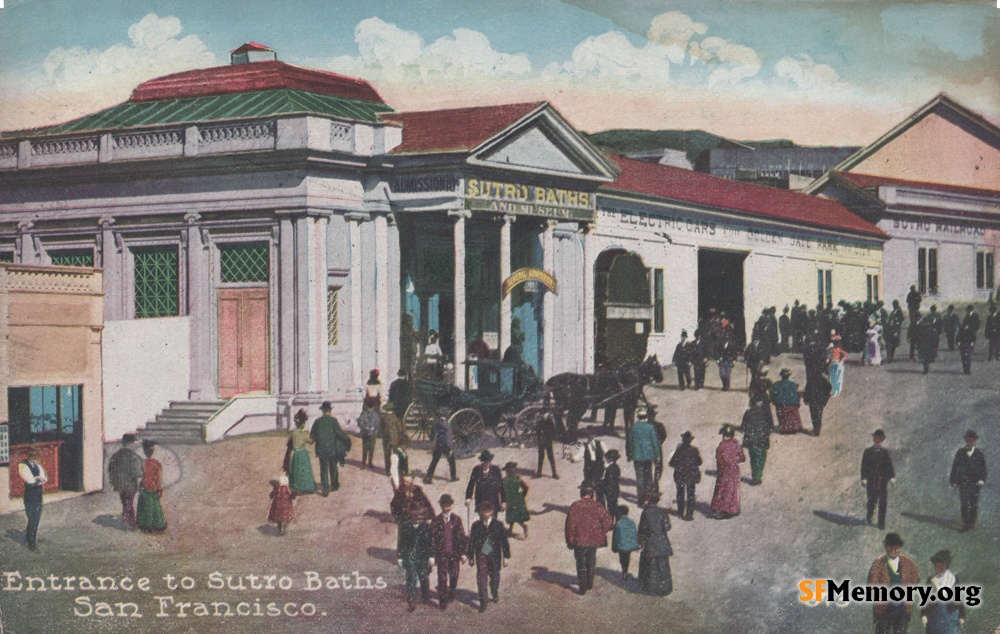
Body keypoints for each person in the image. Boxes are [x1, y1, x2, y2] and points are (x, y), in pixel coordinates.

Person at [391, 478, 436, 611]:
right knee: (410, 577)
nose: (406, 484)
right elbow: (401, 542)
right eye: (404, 481)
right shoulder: (406, 526)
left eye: (408, 481)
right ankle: (412, 600)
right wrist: (399, 556)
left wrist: (432, 556)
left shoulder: (425, 527)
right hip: (410, 555)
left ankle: (425, 595)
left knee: (423, 576)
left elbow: (431, 542)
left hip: (422, 555)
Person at [565, 483, 615, 596]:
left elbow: (570, 525)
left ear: (581, 493)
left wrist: (570, 539)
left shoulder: (575, 505)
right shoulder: (598, 506)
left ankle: (582, 586)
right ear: (592, 494)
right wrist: (602, 532)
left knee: (581, 562)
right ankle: (589, 583)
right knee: (591, 559)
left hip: (579, 540)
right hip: (594, 540)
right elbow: (608, 522)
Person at [867, 532, 920, 634]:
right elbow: (872, 582)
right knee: (882, 631)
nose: (894, 550)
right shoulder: (878, 563)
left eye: (897, 547)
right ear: (886, 547)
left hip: (902, 606)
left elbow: (916, 577)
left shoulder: (908, 562)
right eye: (890, 547)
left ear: (900, 547)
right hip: (884, 606)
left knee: (900, 631)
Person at [467, 501, 510, 612]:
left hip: (494, 556)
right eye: (483, 511)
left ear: (492, 512)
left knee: (495, 577)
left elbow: (504, 541)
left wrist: (506, 557)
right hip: (481, 556)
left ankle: (494, 592)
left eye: (488, 511)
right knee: (481, 578)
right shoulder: (476, 526)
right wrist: (470, 556)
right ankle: (483, 602)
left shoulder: (498, 525)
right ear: (480, 512)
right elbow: (471, 542)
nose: (486, 514)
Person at [430, 494, 467, 610]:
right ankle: (442, 601)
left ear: (451, 506)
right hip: (442, 554)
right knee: (442, 578)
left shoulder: (457, 520)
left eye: (449, 506)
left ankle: (452, 591)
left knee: (454, 575)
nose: (447, 508)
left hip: (454, 554)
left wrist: (463, 553)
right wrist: (431, 555)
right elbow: (432, 539)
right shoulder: (436, 521)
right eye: (445, 506)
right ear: (441, 506)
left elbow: (462, 537)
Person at [949, 430, 987, 533]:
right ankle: (965, 524)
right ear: (966, 440)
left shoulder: (979, 454)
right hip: (963, 483)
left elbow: (983, 469)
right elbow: (955, 467)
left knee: (974, 504)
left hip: (975, 484)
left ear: (976, 440)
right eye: (969, 439)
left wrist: (981, 480)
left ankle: (972, 523)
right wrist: (953, 481)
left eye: (974, 440)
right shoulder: (960, 452)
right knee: (964, 503)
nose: (971, 442)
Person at [637, 492, 673, 597]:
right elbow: (668, 527)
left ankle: (651, 587)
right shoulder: (662, 512)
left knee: (651, 567)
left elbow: (642, 529)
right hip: (662, 542)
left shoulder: (646, 512)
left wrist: (640, 541)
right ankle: (664, 588)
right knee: (663, 567)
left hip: (651, 542)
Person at [920, 550, 965, 634]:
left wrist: (962, 615)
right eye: (938, 563)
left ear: (947, 564)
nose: (940, 566)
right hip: (934, 617)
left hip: (950, 616)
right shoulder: (931, 580)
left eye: (943, 563)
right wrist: (923, 614)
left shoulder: (953, 579)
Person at [311, 402, 351, 495]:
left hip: (321, 448)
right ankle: (334, 485)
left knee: (323, 468)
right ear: (330, 410)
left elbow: (312, 436)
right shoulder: (333, 421)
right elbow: (339, 433)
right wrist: (347, 441)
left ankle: (325, 490)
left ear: (322, 410)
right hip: (332, 448)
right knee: (333, 466)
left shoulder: (317, 421)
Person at [107, 433, 144, 530]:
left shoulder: (116, 455)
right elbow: (137, 473)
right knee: (129, 503)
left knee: (125, 503)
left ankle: (128, 521)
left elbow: (110, 469)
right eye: (134, 442)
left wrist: (113, 480)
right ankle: (128, 522)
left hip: (119, 484)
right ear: (130, 443)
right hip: (130, 485)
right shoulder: (133, 456)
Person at [627, 406, 662, 506]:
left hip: (637, 457)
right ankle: (649, 498)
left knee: (640, 478)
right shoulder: (650, 427)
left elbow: (630, 442)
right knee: (648, 478)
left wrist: (630, 454)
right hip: (648, 457)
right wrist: (657, 455)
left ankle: (641, 500)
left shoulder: (634, 428)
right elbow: (655, 443)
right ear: (646, 416)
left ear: (638, 416)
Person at [862, 429, 895, 530]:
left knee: (883, 501)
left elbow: (889, 465)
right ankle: (869, 515)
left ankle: (881, 523)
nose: (877, 440)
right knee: (872, 499)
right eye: (876, 438)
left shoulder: (885, 452)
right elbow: (864, 466)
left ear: (882, 440)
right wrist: (863, 478)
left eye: (879, 439)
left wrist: (892, 477)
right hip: (872, 480)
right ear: (873, 439)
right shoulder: (867, 452)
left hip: (882, 480)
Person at [710, 424, 746, 518]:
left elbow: (719, 458)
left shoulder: (722, 445)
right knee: (733, 488)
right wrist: (735, 460)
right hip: (734, 470)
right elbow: (742, 458)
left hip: (724, 470)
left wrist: (720, 468)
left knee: (723, 489)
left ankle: (722, 509)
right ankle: (733, 508)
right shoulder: (736, 444)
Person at [18, 446, 47, 551]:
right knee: (32, 518)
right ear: (28, 455)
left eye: (35, 454)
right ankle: (31, 542)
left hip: (38, 494)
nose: (34, 456)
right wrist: (37, 480)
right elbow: (29, 480)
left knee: (36, 518)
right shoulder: (23, 465)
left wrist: (40, 479)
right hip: (30, 494)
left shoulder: (37, 465)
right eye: (32, 454)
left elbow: (44, 477)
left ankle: (31, 539)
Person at [668, 431, 702, 521]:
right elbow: (700, 462)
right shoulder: (694, 450)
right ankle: (689, 514)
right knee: (691, 494)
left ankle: (680, 511)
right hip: (691, 475)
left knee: (680, 493)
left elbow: (672, 463)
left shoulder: (679, 450)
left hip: (680, 474)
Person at [136, 440, 167, 533]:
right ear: (153, 452)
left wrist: (141, 485)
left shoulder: (143, 463)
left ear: (144, 452)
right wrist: (159, 488)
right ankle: (158, 525)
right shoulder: (157, 464)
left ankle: (145, 525)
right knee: (155, 507)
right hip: (153, 488)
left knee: (145, 506)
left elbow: (142, 476)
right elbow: (158, 478)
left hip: (145, 487)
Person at [741, 399, 773, 485]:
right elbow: (771, 426)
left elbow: (743, 426)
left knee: (754, 459)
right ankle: (758, 476)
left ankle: (756, 477)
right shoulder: (766, 413)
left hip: (751, 440)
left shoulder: (748, 412)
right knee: (761, 458)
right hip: (762, 440)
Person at [287, 409, 317, 494]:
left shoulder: (293, 433)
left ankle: (297, 487)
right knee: (304, 470)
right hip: (303, 453)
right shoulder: (305, 433)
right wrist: (315, 437)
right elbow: (310, 441)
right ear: (303, 423)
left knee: (296, 470)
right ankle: (306, 487)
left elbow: (289, 443)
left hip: (295, 453)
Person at [424, 416, 457, 484]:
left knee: (434, 461)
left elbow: (432, 436)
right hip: (446, 446)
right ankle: (453, 477)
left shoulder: (436, 424)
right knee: (452, 459)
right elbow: (449, 436)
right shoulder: (448, 424)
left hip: (438, 445)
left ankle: (429, 477)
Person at [501, 462, 530, 539]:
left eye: (509, 471)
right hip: (513, 500)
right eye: (507, 471)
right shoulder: (516, 478)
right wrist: (522, 496)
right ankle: (510, 530)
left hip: (513, 501)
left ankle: (524, 526)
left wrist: (522, 496)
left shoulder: (507, 480)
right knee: (512, 516)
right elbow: (526, 487)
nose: (508, 473)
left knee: (515, 516)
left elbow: (526, 487)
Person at [770, 368, 803, 434]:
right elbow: (796, 395)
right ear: (789, 375)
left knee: (782, 414)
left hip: (781, 405)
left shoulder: (776, 384)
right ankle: (793, 428)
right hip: (792, 404)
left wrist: (774, 401)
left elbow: (773, 395)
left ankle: (785, 427)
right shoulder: (793, 384)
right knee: (792, 415)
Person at [381, 403, 409, 477]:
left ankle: (388, 471)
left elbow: (381, 429)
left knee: (387, 455)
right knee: (398, 453)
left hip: (386, 439)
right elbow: (400, 429)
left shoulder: (383, 418)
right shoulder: (395, 418)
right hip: (394, 439)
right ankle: (401, 469)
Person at [612, 505, 639, 581]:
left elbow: (616, 537)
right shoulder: (631, 522)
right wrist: (635, 544)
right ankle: (625, 571)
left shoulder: (618, 523)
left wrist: (614, 547)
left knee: (622, 559)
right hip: (629, 545)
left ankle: (624, 571)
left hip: (621, 546)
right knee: (627, 558)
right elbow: (634, 534)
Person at [802, 372, 832, 436]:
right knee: (819, 415)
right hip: (820, 401)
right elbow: (829, 390)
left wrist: (806, 400)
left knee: (813, 415)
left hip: (813, 400)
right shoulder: (825, 381)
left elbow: (807, 390)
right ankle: (817, 430)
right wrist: (825, 400)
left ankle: (816, 429)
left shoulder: (811, 380)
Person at [358, 400, 382, 470]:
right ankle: (369, 462)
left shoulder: (363, 414)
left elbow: (360, 423)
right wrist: (372, 428)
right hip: (370, 434)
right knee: (371, 448)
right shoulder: (376, 415)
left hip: (367, 433)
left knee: (365, 449)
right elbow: (377, 424)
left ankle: (364, 463)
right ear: (373, 407)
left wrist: (366, 428)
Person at [534, 412, 559, 479]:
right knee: (541, 457)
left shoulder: (550, 421)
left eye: (545, 415)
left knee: (550, 457)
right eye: (543, 415)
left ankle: (554, 473)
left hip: (548, 441)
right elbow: (536, 430)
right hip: (541, 441)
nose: (544, 416)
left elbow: (553, 431)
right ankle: (539, 472)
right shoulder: (539, 421)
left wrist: (551, 439)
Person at [957, 306, 979, 376]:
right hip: (963, 343)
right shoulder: (962, 328)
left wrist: (972, 342)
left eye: (969, 310)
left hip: (970, 338)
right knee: (964, 357)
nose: (968, 311)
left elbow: (977, 325)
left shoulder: (975, 315)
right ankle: (965, 369)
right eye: (967, 310)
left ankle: (968, 370)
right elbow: (958, 337)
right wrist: (958, 342)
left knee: (968, 357)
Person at [601, 449, 622, 515]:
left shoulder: (610, 469)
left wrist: (602, 485)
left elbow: (609, 481)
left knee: (611, 508)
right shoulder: (616, 467)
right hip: (614, 490)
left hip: (609, 491)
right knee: (613, 506)